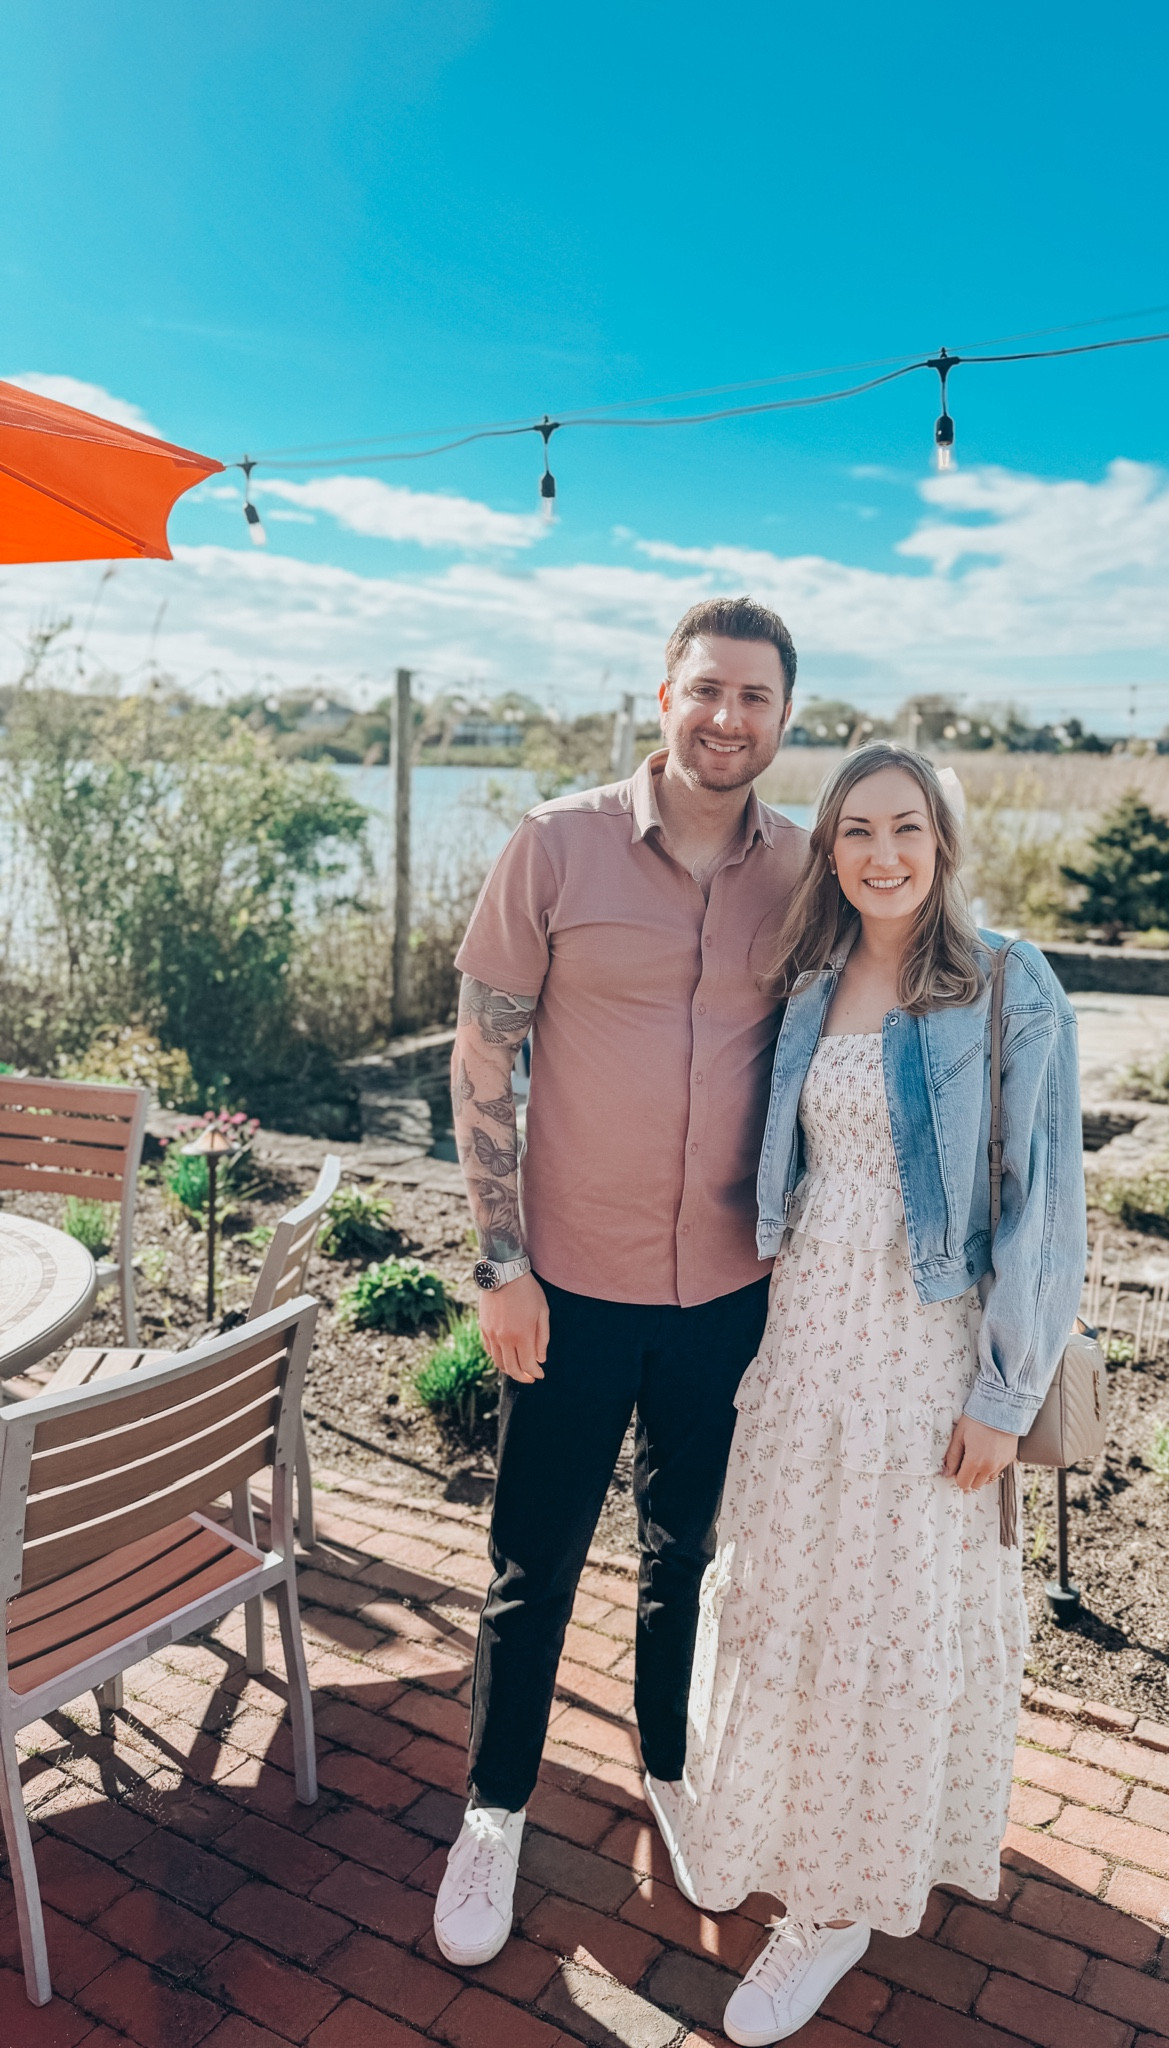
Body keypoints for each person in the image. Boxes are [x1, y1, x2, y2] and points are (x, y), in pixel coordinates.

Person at [666, 741, 1087, 2046]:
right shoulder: (812, 980)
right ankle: (795, 1828)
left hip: (923, 1354)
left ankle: (837, 1904)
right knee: (799, 1596)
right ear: (830, 850)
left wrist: (1005, 1395)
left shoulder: (1009, 985)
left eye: (906, 829)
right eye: (856, 831)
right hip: (806, 1348)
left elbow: (1046, 1209)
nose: (882, 854)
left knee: (890, 1607)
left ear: (944, 843)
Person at [432, 596, 807, 1968]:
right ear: (664, 694)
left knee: (683, 1557)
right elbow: (481, 1062)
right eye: (707, 689)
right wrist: (500, 1261)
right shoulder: (557, 846)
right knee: (532, 1568)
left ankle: (669, 1769)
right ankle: (493, 1810)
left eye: (756, 697)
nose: (728, 718)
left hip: (728, 1291)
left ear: (784, 714)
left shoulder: (809, 868)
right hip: (570, 1288)